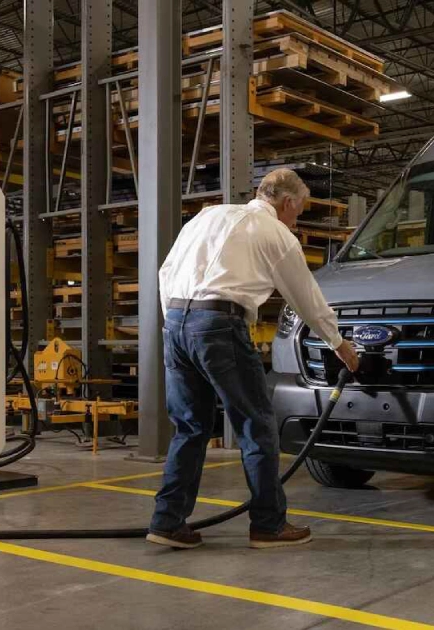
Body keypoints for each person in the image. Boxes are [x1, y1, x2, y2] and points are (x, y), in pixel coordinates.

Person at [149, 168, 360, 550]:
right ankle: (268, 525)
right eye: (300, 210)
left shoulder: (207, 215)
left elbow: (165, 270)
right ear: (288, 202)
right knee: (256, 424)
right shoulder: (276, 234)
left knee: (190, 427)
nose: (298, 219)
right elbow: (305, 296)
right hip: (219, 324)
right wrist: (339, 344)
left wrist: (176, 324)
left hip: (175, 321)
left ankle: (167, 522)